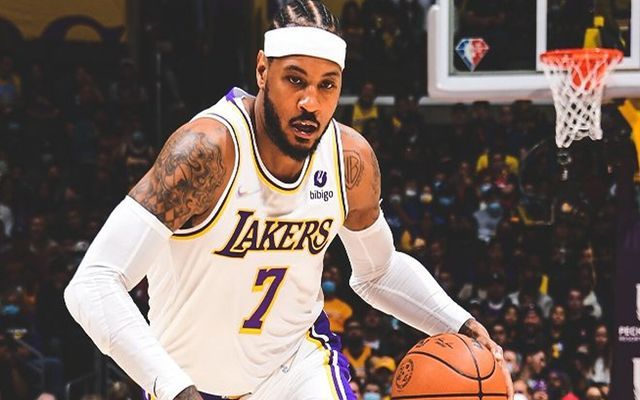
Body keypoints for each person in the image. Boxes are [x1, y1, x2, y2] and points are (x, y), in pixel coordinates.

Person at [64, 1, 512, 399]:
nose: (310, 103)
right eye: (295, 80)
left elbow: (378, 271)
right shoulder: (206, 152)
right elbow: (93, 283)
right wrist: (173, 388)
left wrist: (459, 322)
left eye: (327, 85)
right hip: (187, 380)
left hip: (295, 368)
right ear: (263, 71)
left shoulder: (350, 160)